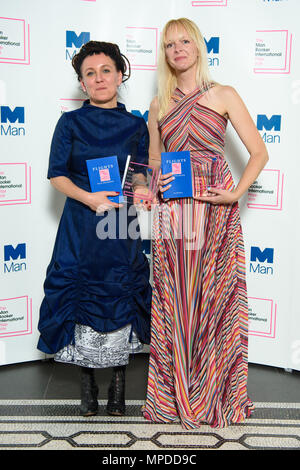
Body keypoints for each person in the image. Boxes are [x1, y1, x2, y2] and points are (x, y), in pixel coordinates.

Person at [142, 18, 269, 429]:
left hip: (215, 211)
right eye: (169, 44)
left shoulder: (224, 94)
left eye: (184, 41)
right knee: (175, 300)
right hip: (173, 213)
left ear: (197, 46)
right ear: (164, 54)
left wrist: (236, 193)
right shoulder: (158, 105)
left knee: (213, 299)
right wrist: (149, 182)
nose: (177, 49)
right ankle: (174, 397)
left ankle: (214, 393)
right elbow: (157, 160)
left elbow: (259, 153)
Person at [37, 41, 152, 417]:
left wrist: (142, 191)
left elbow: (139, 176)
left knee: (120, 291)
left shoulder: (137, 126)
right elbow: (56, 175)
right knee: (83, 295)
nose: (99, 78)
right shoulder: (69, 123)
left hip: (120, 224)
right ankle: (87, 386)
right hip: (82, 227)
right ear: (82, 84)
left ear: (120, 75)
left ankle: (119, 386)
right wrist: (90, 198)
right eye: (90, 73)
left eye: (106, 70)